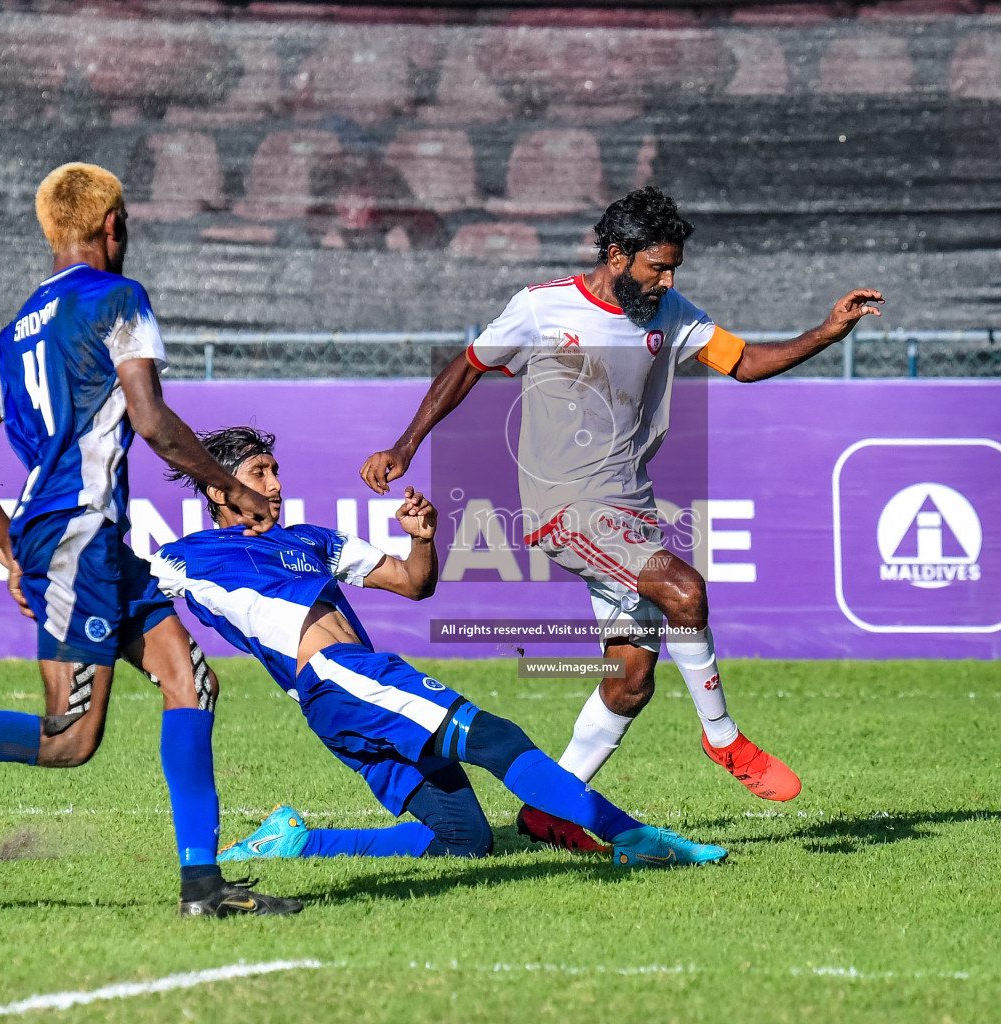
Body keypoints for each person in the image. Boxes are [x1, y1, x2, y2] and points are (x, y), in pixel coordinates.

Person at [0, 163, 299, 918]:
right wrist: (229, 487)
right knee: (69, 738)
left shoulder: (17, 331)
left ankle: (204, 888)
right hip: (77, 537)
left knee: (189, 680)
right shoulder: (118, 299)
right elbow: (153, 420)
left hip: (76, 538)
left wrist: (15, 549)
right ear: (112, 226)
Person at [0, 426, 722, 868]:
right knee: (498, 737)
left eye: (277, 470)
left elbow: (413, 585)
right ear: (217, 489)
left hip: (351, 697)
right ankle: (633, 839)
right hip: (343, 682)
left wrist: (426, 540)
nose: (274, 484)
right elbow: (78, 577)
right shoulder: (186, 558)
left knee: (468, 841)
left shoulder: (313, 539)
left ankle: (301, 840)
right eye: (258, 473)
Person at [360, 186, 885, 847]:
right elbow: (466, 369)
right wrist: (406, 445)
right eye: (657, 267)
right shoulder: (541, 307)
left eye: (673, 269)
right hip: (566, 509)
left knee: (631, 678)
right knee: (686, 590)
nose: (666, 279)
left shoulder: (669, 312)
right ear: (617, 254)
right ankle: (723, 739)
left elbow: (745, 363)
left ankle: (549, 809)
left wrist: (826, 332)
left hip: (627, 509)